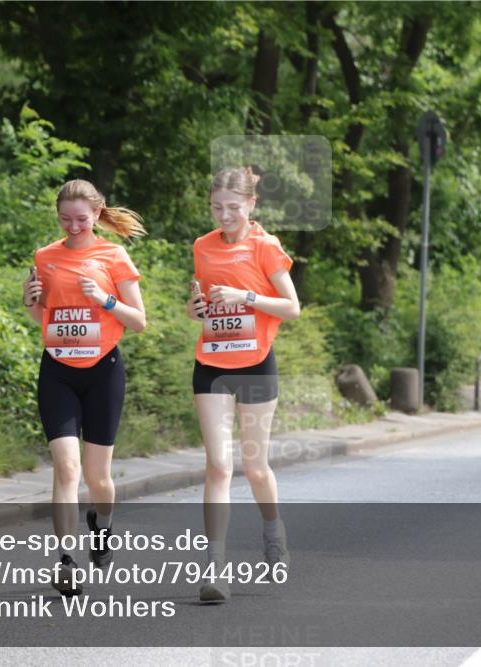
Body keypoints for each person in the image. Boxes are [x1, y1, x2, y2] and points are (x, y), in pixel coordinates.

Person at [22, 179, 146, 596]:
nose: (73, 226)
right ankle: (65, 562)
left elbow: (139, 321)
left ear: (97, 214)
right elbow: (44, 317)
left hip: (103, 372)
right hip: (57, 370)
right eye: (65, 219)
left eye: (81, 218)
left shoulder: (114, 255)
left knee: (99, 480)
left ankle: (102, 526)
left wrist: (106, 300)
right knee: (66, 468)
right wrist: (31, 300)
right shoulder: (45, 256)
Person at [186, 167, 300, 603]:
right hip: (211, 363)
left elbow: (292, 307)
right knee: (218, 466)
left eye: (233, 207)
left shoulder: (265, 246)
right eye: (217, 207)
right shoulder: (203, 246)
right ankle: (215, 567)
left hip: (255, 363)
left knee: (255, 467)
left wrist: (247, 298)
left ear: (252, 205)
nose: (224, 215)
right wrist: (196, 307)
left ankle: (273, 532)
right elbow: (198, 304)